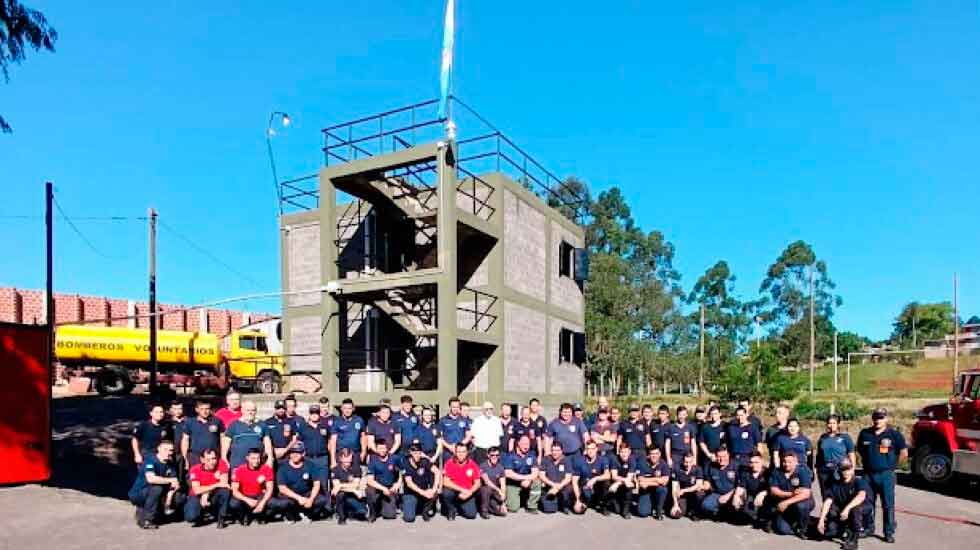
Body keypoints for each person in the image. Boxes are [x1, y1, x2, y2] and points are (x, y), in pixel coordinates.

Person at [856, 407, 906, 544]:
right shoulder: (865, 433)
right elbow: (860, 450)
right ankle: (868, 528)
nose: (878, 420)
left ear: (886, 419)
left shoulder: (894, 435)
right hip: (868, 475)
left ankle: (888, 532)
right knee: (867, 504)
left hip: (886, 475)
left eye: (881, 417)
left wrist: (893, 467)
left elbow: (904, 453)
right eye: (876, 417)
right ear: (872, 418)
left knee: (888, 505)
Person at [128, 440, 184, 529]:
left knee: (179, 496)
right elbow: (151, 479)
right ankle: (147, 519)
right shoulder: (150, 460)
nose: (168, 453)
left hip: (155, 493)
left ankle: (161, 512)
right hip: (139, 493)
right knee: (157, 488)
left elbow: (174, 483)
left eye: (171, 450)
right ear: (159, 449)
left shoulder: (170, 465)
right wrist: (170, 480)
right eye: (165, 449)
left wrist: (168, 501)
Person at [817, 458, 871, 550]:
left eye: (848, 469)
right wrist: (821, 520)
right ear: (839, 470)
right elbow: (827, 502)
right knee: (830, 532)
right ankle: (842, 528)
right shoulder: (835, 485)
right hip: (843, 512)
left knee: (855, 509)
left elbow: (861, 496)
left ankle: (854, 539)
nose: (846, 472)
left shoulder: (859, 481)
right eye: (843, 469)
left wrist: (847, 509)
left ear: (852, 469)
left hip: (861, 509)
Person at [269, 443, 330, 523]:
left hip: (306, 494)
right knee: (283, 503)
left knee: (322, 500)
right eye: (292, 452)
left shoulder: (310, 465)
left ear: (303, 453)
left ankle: (307, 514)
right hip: (290, 496)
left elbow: (316, 484)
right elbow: (282, 488)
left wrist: (311, 499)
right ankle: (290, 515)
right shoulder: (283, 467)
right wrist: (299, 498)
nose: (294, 455)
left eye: (297, 452)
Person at [765, 451, 814, 538]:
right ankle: (797, 521)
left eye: (790, 462)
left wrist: (786, 502)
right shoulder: (776, 472)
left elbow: (806, 494)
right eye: (784, 461)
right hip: (784, 504)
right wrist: (792, 493)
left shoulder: (803, 471)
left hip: (801, 501)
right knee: (783, 530)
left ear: (796, 462)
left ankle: (803, 529)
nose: (786, 464)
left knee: (801, 506)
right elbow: (773, 491)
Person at [184, 448, 231, 528]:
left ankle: (221, 517)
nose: (212, 462)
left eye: (214, 458)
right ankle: (200, 513)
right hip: (197, 496)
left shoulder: (221, 464)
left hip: (213, 494)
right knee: (191, 517)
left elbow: (224, 484)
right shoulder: (195, 469)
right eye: (208, 459)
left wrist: (206, 493)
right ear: (202, 460)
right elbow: (197, 490)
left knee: (225, 491)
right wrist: (215, 485)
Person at [221, 401, 273, 469]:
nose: (250, 412)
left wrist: (270, 458)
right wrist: (224, 459)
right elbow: (226, 443)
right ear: (242, 410)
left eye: (253, 410)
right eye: (248, 410)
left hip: (257, 465)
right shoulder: (234, 425)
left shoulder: (262, 424)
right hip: (237, 465)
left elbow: (267, 443)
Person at [229, 448, 274, 525]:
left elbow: (270, 489)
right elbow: (234, 491)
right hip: (244, 496)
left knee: (278, 504)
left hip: (260, 496)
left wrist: (262, 503)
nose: (256, 461)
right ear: (247, 458)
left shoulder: (266, 469)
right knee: (233, 504)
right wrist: (247, 500)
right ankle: (245, 515)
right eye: (253, 458)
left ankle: (260, 515)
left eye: (258, 458)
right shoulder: (239, 470)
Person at [816, 415, 856, 495]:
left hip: (840, 470)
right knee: (826, 495)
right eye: (829, 423)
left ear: (838, 424)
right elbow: (819, 455)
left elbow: (851, 454)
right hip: (824, 471)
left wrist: (852, 469)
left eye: (834, 423)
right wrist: (817, 469)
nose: (831, 425)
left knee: (840, 495)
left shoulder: (845, 437)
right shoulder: (823, 437)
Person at [401, 443, 441, 523]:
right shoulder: (405, 462)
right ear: (410, 452)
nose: (417, 455)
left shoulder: (424, 461)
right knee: (409, 518)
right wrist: (423, 493)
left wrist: (434, 489)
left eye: (419, 453)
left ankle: (425, 511)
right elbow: (409, 483)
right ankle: (408, 505)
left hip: (424, 490)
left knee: (434, 492)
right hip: (411, 493)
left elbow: (437, 472)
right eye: (415, 453)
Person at [365, 439, 403, 521]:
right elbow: (369, 481)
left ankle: (383, 506)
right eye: (379, 448)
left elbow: (402, 472)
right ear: (376, 449)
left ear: (387, 449)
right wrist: (383, 488)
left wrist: (398, 483)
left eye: (383, 448)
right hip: (378, 488)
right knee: (369, 490)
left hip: (390, 489)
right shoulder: (373, 460)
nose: (382, 450)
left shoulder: (395, 458)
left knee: (390, 516)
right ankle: (373, 512)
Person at [441, 443, 482, 520]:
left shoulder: (472, 464)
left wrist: (470, 492)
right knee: (446, 492)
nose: (461, 454)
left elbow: (478, 482)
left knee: (471, 515)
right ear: (455, 453)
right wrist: (462, 490)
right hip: (454, 492)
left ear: (467, 453)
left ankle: (458, 507)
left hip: (467, 493)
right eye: (459, 452)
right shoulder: (450, 463)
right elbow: (445, 481)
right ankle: (451, 509)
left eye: (463, 452)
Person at [503, 434, 541, 513]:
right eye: (524, 443)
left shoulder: (531, 455)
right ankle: (514, 501)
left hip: (527, 481)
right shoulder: (510, 455)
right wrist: (524, 479)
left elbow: (535, 473)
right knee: (513, 508)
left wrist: (528, 480)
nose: (526, 446)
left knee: (537, 482)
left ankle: (532, 506)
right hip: (513, 483)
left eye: (528, 444)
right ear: (518, 443)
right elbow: (508, 473)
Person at [331, 448, 369, 525]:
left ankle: (350, 512)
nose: (348, 464)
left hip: (353, 496)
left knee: (362, 511)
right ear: (340, 458)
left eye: (349, 461)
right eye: (345, 462)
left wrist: (341, 486)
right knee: (340, 494)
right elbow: (336, 486)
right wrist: (353, 490)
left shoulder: (356, 468)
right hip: (342, 496)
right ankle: (341, 517)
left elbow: (355, 485)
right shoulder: (335, 470)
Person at [571, 440, 610, 515]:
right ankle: (586, 502)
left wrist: (595, 479)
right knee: (578, 510)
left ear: (596, 449)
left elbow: (608, 475)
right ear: (586, 450)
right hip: (584, 487)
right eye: (588, 449)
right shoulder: (579, 461)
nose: (590, 451)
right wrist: (578, 499)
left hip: (597, 486)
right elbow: (574, 482)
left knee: (606, 483)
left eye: (592, 449)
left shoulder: (603, 459)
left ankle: (603, 506)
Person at [297, 404, 331, 488]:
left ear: (319, 414)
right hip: (308, 459)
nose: (314, 415)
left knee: (324, 485)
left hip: (322, 459)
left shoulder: (325, 426)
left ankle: (326, 501)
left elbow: (330, 441)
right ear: (309, 414)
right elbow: (299, 442)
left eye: (316, 413)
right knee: (308, 485)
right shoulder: (303, 426)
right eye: (312, 413)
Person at [732, 452, 769, 528]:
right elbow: (741, 487)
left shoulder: (768, 473)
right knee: (744, 516)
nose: (754, 465)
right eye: (751, 462)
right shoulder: (746, 473)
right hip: (751, 496)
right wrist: (736, 496)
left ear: (762, 461)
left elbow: (772, 489)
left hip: (766, 497)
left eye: (756, 462)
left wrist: (763, 493)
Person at [701, 447, 739, 521]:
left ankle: (727, 513)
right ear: (715, 456)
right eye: (719, 457)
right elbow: (708, 481)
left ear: (728, 455)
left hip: (733, 494)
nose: (721, 459)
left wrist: (729, 495)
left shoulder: (736, 466)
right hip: (717, 494)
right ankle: (721, 513)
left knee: (737, 507)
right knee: (705, 505)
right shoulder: (711, 466)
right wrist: (705, 485)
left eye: (724, 456)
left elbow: (740, 485)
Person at [182, 399, 224, 467]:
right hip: (195, 457)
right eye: (202, 409)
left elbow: (223, 438)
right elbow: (185, 440)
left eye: (207, 409)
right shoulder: (190, 422)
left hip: (212, 457)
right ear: (197, 409)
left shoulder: (217, 421)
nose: (205, 411)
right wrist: (185, 458)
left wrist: (223, 455)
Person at [634, 446, 670, 519]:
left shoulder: (663, 464)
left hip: (657, 489)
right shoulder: (642, 462)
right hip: (646, 491)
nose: (654, 456)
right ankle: (650, 505)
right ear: (648, 455)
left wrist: (647, 482)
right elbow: (640, 481)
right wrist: (657, 480)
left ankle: (658, 510)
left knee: (663, 489)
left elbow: (665, 481)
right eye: (652, 454)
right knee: (643, 513)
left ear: (659, 454)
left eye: (656, 454)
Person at [330, 398, 366, 468]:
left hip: (355, 453)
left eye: (349, 408)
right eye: (345, 408)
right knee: (341, 477)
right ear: (341, 408)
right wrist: (333, 460)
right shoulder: (336, 421)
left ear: (353, 409)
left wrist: (364, 452)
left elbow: (363, 437)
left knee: (356, 476)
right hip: (341, 454)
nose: (347, 410)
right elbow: (333, 441)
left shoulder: (359, 420)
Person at [539, 441, 575, 513]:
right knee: (548, 510)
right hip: (549, 486)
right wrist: (553, 485)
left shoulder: (567, 460)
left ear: (561, 451)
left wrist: (558, 487)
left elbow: (568, 478)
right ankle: (553, 503)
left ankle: (564, 505)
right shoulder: (546, 459)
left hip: (563, 487)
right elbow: (541, 475)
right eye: (553, 450)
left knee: (569, 489)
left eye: (557, 450)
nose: (555, 453)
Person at [670, 453, 705, 520]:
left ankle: (696, 512)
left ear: (693, 461)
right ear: (682, 461)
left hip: (693, 494)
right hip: (683, 496)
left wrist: (684, 490)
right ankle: (686, 510)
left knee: (700, 493)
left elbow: (698, 485)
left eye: (690, 462)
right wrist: (675, 504)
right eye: (686, 462)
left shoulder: (698, 469)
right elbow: (674, 488)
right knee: (675, 515)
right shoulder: (676, 469)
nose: (688, 464)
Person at [132, 404, 168, 468]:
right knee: (147, 476)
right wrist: (137, 454)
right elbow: (134, 440)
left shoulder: (166, 426)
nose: (159, 414)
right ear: (151, 413)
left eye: (161, 412)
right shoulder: (144, 425)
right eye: (156, 412)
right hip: (146, 456)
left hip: (161, 457)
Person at [608, 445, 638, 518]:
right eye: (622, 452)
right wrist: (618, 482)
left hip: (625, 483)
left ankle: (626, 510)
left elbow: (629, 478)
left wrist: (618, 483)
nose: (624, 454)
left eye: (626, 452)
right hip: (616, 482)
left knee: (630, 484)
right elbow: (614, 476)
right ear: (619, 452)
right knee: (617, 511)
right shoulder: (614, 459)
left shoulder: (632, 459)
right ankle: (614, 500)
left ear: (629, 452)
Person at [438, 397, 472, 462]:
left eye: (457, 407)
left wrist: (458, 447)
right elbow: (440, 438)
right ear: (450, 407)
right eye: (453, 407)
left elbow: (468, 436)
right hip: (448, 453)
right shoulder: (443, 420)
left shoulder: (464, 420)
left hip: (461, 453)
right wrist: (450, 447)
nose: (455, 409)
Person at [479, 446, 507, 518]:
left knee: (502, 513)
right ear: (488, 455)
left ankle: (492, 507)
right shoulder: (483, 466)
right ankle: (484, 511)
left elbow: (503, 485)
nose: (494, 457)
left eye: (497, 455)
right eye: (492, 455)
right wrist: (498, 490)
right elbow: (487, 481)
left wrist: (503, 501)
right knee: (487, 489)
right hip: (483, 491)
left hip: (494, 492)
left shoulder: (500, 467)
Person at [698, 405, 726, 470]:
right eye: (712, 414)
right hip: (708, 457)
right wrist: (709, 454)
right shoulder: (705, 426)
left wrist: (721, 455)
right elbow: (701, 442)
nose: (713, 416)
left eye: (715, 414)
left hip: (722, 458)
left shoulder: (725, 426)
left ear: (720, 414)